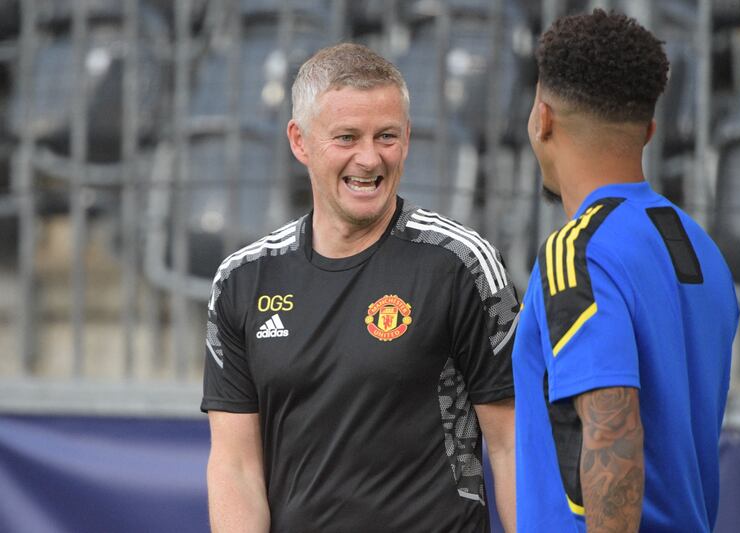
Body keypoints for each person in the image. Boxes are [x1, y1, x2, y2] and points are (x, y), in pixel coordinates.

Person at [201, 43, 519, 532]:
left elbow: (512, 445)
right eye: (347, 137)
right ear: (300, 141)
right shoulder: (243, 280)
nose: (369, 159)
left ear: (408, 138)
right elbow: (236, 467)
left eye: (386, 136)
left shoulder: (461, 263)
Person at [512, 9, 739, 533]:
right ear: (650, 131)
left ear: (541, 118)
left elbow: (613, 432)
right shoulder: (702, 248)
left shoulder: (577, 250)